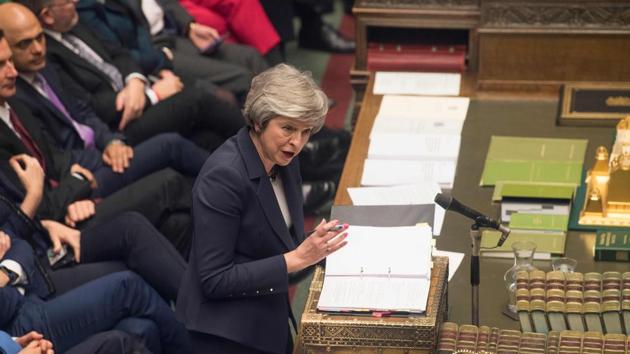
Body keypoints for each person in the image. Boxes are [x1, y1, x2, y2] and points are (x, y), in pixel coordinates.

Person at [176, 64, 349, 353]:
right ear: (259, 121)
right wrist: (296, 259)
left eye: (306, 132)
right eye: (288, 128)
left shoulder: (284, 160)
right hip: (225, 335)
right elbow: (214, 279)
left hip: (266, 314)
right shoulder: (224, 177)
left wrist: (311, 244)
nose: (297, 142)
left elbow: (268, 237)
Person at [1, 235, 191, 353]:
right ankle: (203, 336)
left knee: (141, 328)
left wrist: (6, 272)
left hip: (25, 297)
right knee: (128, 287)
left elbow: (16, 241)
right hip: (17, 319)